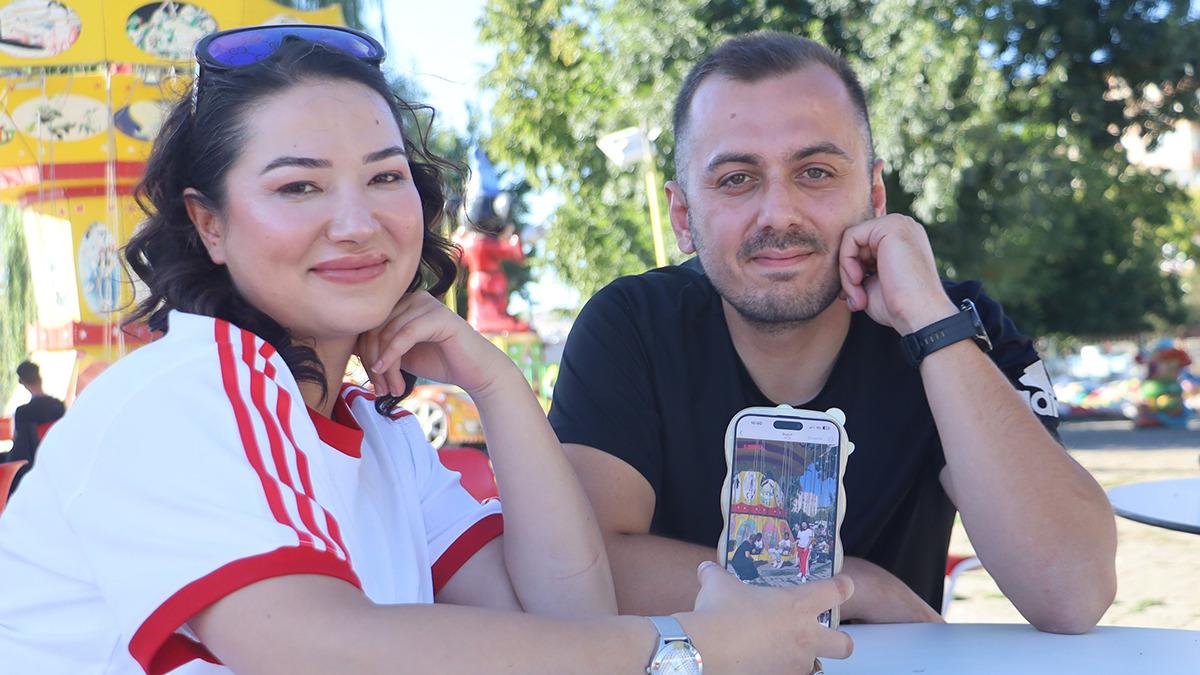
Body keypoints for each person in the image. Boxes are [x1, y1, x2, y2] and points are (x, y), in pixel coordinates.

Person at [0, 25, 853, 674]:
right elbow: (326, 650)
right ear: (209, 223)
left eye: (384, 176)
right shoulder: (187, 393)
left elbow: (569, 616)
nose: (355, 221)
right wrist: (692, 649)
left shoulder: (379, 435)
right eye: (299, 185)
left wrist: (497, 384)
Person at [549, 31, 1117, 634]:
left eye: (815, 172)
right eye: (737, 178)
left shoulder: (955, 324)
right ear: (683, 217)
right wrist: (851, 587)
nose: (779, 213)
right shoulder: (631, 324)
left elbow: (1072, 591)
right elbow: (577, 571)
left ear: (874, 194)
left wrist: (932, 325)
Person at [6, 360, 65, 494]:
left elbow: (19, 445)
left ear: (23, 383)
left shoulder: (23, 412)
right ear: (40, 377)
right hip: (55, 460)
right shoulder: (59, 406)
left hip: (30, 467)